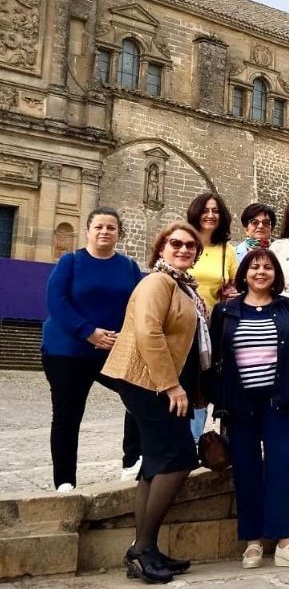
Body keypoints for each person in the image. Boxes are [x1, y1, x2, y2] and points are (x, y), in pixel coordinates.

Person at [100, 222, 205, 583]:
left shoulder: (181, 286)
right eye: (175, 243)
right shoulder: (157, 282)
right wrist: (172, 386)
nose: (184, 249)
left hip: (159, 384)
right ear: (161, 248)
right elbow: (149, 331)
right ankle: (143, 549)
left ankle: (143, 549)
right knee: (177, 460)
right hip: (150, 383)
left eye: (191, 246)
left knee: (156, 463)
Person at [207, 249, 289, 569]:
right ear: (244, 273)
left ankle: (284, 541)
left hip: (278, 400)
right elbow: (212, 358)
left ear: (275, 274)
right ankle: (252, 541)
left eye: (267, 267)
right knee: (246, 468)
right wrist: (219, 393)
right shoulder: (225, 311)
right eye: (254, 266)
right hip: (240, 403)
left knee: (283, 465)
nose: (261, 272)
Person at [42, 207, 143, 490]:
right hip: (68, 351)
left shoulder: (128, 267)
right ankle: (64, 481)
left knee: (141, 394)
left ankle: (132, 460)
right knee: (67, 414)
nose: (104, 231)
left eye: (111, 227)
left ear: (118, 233)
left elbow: (138, 305)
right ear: (88, 230)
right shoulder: (70, 262)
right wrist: (88, 332)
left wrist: (125, 335)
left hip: (112, 349)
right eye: (99, 226)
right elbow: (56, 302)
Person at [187, 192, 238, 440]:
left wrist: (231, 291)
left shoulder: (227, 251)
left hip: (210, 329)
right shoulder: (184, 242)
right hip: (181, 325)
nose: (210, 215)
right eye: (205, 210)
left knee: (201, 387)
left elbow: (235, 287)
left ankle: (194, 443)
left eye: (215, 211)